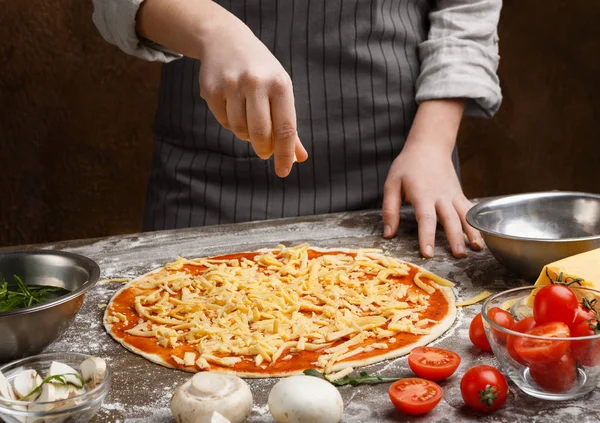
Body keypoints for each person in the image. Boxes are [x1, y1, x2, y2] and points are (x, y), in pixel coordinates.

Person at [92, 0, 502, 258]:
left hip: (400, 171)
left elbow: (466, 9)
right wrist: (212, 28)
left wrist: (432, 144)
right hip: (209, 177)